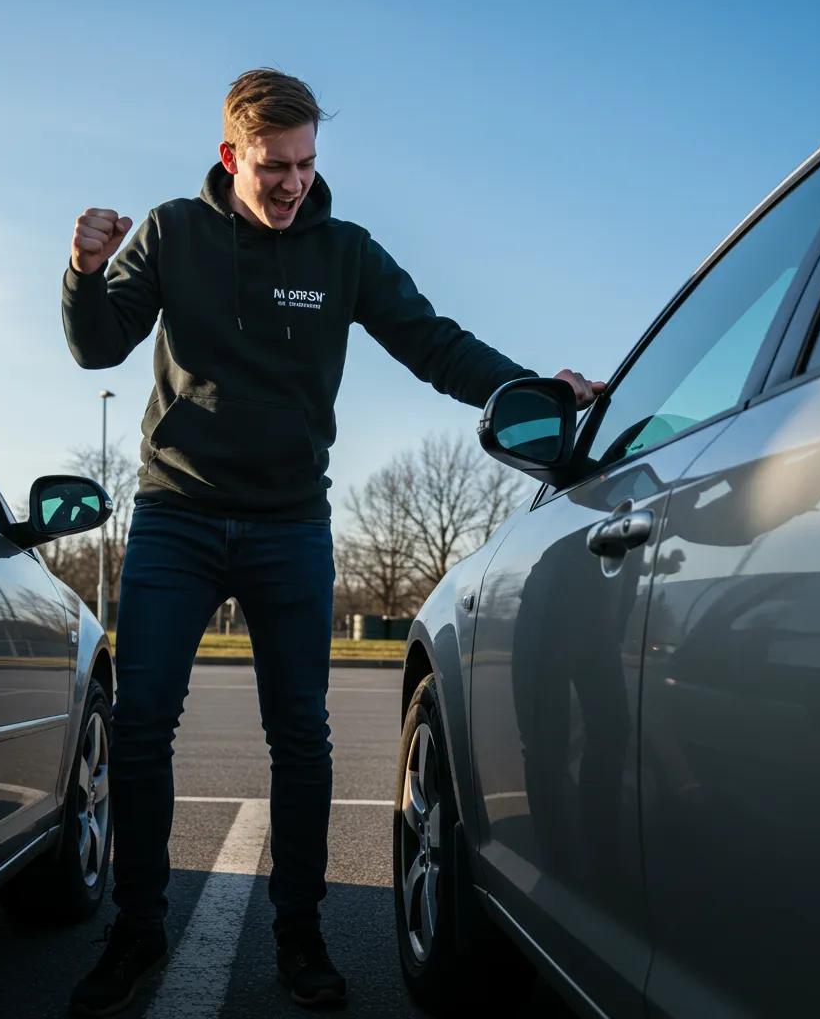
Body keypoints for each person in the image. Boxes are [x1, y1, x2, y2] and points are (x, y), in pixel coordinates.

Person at [61, 67, 605, 1017]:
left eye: (307, 163)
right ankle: (137, 931)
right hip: (177, 517)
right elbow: (98, 345)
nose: (293, 183)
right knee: (143, 728)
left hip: (289, 526)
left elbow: (435, 344)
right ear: (233, 155)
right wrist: (83, 270)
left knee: (301, 739)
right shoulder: (173, 232)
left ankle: (300, 936)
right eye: (275, 166)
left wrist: (536, 391)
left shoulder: (344, 252)